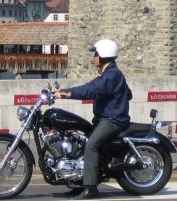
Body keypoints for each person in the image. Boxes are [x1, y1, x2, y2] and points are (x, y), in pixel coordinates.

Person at [54, 39, 132, 199]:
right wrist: (64, 91)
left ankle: (91, 189)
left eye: (96, 54)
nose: (93, 57)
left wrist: (68, 94)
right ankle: (78, 185)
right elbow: (90, 86)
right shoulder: (108, 74)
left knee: (91, 145)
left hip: (113, 120)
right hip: (104, 118)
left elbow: (92, 90)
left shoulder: (112, 75)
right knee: (81, 143)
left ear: (104, 55)